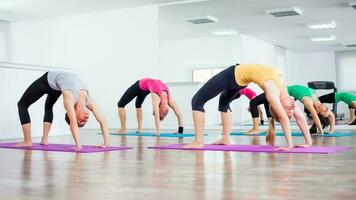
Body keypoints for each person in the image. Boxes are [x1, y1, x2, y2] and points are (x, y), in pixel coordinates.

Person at [184, 64, 306, 151]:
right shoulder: (284, 91)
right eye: (292, 108)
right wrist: (308, 143)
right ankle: (225, 138)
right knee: (224, 102)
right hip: (240, 80)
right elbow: (299, 118)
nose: (293, 105)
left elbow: (284, 118)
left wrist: (289, 145)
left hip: (232, 74)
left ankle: (199, 141)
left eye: (289, 109)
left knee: (197, 101)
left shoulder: (273, 93)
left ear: (280, 106)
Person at [17, 71, 110, 150]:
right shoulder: (88, 100)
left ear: (73, 114)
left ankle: (30, 141)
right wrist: (106, 143)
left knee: (23, 105)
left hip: (50, 83)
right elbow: (103, 121)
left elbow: (73, 122)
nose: (85, 120)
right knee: (44, 106)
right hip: (52, 81)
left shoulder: (69, 99)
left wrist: (78, 146)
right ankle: (37, 140)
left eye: (81, 121)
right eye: (83, 122)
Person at [117, 78, 183, 135]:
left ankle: (137, 129)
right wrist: (158, 132)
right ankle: (124, 129)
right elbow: (157, 116)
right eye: (164, 115)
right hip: (139, 86)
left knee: (124, 104)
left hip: (145, 89)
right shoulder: (167, 99)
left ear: (158, 109)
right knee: (123, 104)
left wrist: (180, 131)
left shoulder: (157, 99)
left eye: (163, 115)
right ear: (158, 109)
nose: (165, 114)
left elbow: (179, 114)